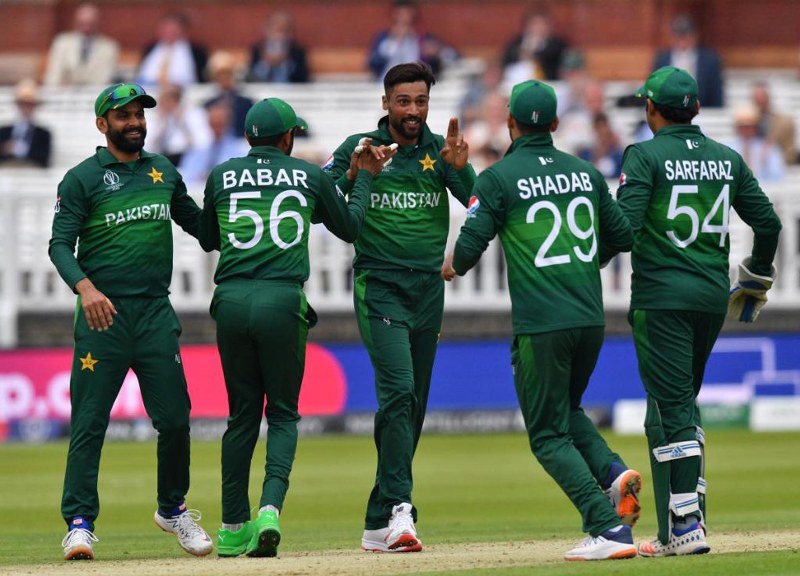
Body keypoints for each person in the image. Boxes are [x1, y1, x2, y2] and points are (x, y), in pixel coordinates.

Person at [441, 79, 640, 562]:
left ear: (510, 123)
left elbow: (468, 248)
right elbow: (623, 235)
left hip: (541, 322)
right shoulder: (585, 173)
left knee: (546, 434)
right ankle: (612, 473)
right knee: (565, 410)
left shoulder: (498, 177)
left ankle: (606, 528)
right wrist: (588, 262)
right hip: (590, 317)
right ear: (554, 124)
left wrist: (449, 267)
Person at [198, 97, 393, 557]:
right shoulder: (306, 174)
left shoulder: (222, 174)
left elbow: (208, 237)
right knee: (282, 413)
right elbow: (347, 225)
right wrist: (362, 179)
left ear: (248, 137)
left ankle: (230, 527)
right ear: (287, 138)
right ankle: (269, 509)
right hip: (282, 300)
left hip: (230, 299)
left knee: (241, 416)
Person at [614, 66, 782, 557]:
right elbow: (768, 223)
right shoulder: (725, 158)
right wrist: (756, 274)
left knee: (673, 407)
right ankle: (676, 528)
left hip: (661, 297)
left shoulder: (645, 155)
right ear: (697, 110)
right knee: (672, 406)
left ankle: (686, 524)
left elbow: (624, 228)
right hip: (710, 297)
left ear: (652, 110)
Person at [49, 82, 213, 561]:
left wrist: (237, 206)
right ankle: (79, 523)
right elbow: (59, 245)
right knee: (90, 423)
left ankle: (172, 509)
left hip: (155, 313)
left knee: (176, 419)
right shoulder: (82, 179)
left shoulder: (162, 170)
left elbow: (202, 229)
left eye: (140, 114)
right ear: (103, 125)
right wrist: (86, 288)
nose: (136, 123)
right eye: (124, 116)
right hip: (104, 318)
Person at [323, 61, 476, 553]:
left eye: (421, 101)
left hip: (429, 290)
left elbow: (481, 204)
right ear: (386, 102)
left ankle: (375, 519)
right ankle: (400, 511)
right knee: (399, 392)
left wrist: (462, 169)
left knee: (412, 407)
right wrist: (352, 174)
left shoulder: (439, 150)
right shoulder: (360, 147)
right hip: (379, 284)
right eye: (404, 101)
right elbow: (320, 204)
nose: (413, 111)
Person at [367, 0, 458, 80]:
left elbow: (454, 57)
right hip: (387, 87)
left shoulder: (424, 38)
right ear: (394, 15)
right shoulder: (384, 38)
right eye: (401, 14)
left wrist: (438, 52)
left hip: (419, 88)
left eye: (408, 13)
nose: (405, 18)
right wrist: (393, 42)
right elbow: (373, 63)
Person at [653, 14, 724, 107]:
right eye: (678, 36)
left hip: (702, 113)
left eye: (686, 36)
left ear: (694, 36)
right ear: (672, 37)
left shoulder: (710, 61)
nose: (682, 41)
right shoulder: (662, 59)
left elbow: (717, 96)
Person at [43, 2, 119, 86]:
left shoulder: (109, 47)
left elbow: (104, 80)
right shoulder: (62, 43)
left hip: (94, 95)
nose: (86, 28)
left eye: (90, 24)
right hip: (63, 95)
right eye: (82, 24)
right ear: (76, 22)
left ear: (97, 23)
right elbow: (53, 76)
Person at [178, 104, 249, 186]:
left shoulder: (241, 152)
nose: (216, 129)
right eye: (213, 124)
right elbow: (186, 178)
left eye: (220, 124)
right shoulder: (197, 151)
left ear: (228, 124)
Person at [146, 83, 213, 166]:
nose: (168, 102)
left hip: (187, 156)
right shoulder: (155, 118)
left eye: (172, 97)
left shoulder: (194, 113)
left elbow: (202, 142)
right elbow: (149, 146)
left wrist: (181, 119)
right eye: (165, 98)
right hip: (162, 156)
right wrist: (161, 122)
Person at [137, 12, 208, 88]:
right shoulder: (150, 48)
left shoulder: (196, 51)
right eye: (165, 29)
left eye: (173, 30)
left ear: (183, 31)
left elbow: (201, 77)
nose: (169, 33)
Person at [501, 9, 569, 83]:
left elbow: (554, 61)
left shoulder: (558, 44)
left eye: (542, 24)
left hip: (548, 83)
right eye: (535, 23)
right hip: (516, 83)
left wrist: (533, 53)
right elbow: (506, 59)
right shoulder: (515, 43)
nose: (538, 27)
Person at [726, 103, 785, 183]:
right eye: (743, 126)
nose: (746, 130)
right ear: (737, 128)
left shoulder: (769, 147)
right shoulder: (727, 148)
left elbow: (778, 175)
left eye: (750, 126)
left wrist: (765, 163)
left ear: (756, 127)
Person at [0, 78, 52, 168]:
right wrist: (6, 149)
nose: (26, 109)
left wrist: (24, 150)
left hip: (31, 171)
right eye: (23, 104)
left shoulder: (43, 133)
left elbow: (44, 159)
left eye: (29, 105)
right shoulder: (4, 131)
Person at [247, 10, 310, 83]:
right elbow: (251, 78)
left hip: (290, 91)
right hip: (263, 91)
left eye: (284, 30)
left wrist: (285, 63)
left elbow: (303, 79)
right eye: (275, 29)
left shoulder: (298, 51)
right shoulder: (257, 49)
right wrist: (265, 63)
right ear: (266, 30)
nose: (279, 34)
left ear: (290, 33)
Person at [204, 50, 254, 138]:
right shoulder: (209, 105)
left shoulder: (246, 103)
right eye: (220, 75)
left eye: (227, 74)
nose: (224, 78)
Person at [751, 81, 797, 165]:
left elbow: (790, 152)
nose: (759, 101)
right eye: (756, 98)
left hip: (780, 166)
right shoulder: (746, 124)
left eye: (762, 98)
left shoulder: (785, 123)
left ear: (768, 98)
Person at [577, 112, 625, 179]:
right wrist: (598, 153)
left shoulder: (617, 154)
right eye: (598, 127)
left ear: (608, 128)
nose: (602, 131)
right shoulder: (586, 153)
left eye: (603, 127)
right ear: (594, 129)